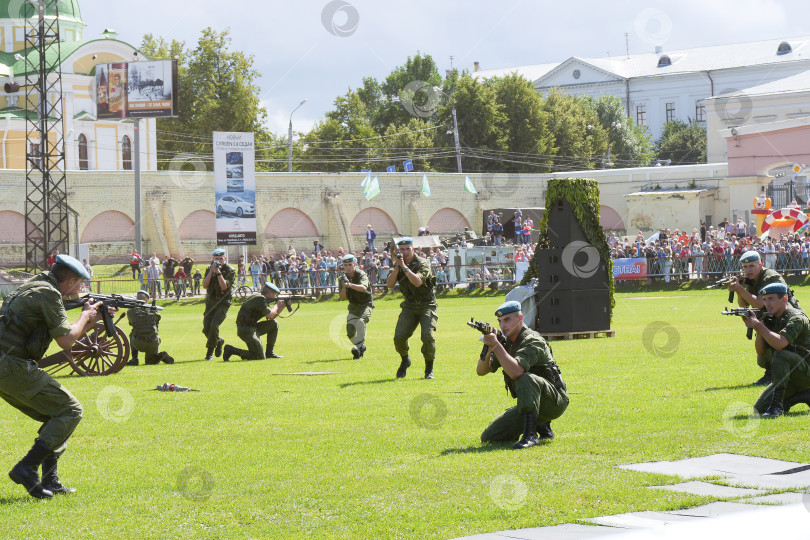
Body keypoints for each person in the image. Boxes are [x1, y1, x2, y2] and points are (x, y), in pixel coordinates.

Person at [0, 254, 114, 498]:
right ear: (71, 280)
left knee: (56, 414)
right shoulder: (49, 294)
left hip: (6, 367)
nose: (82, 288)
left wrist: (91, 321)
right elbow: (66, 340)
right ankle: (27, 467)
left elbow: (64, 333)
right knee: (70, 410)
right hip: (11, 366)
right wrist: (85, 315)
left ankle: (49, 480)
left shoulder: (36, 286)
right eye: (81, 283)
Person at [477, 301, 568, 449]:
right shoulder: (507, 343)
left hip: (554, 401)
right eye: (500, 321)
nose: (503, 325)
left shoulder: (532, 340)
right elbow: (481, 371)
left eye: (507, 320)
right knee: (490, 437)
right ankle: (541, 425)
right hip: (531, 401)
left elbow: (516, 372)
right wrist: (488, 347)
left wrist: (497, 346)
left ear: (520, 318)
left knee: (526, 377)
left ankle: (530, 435)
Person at [728, 250, 795, 385]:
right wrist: (740, 289)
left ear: (760, 265)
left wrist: (740, 290)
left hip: (787, 317)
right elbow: (743, 305)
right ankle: (771, 373)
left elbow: (759, 303)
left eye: (752, 266)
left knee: (778, 344)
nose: (748, 270)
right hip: (771, 315)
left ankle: (785, 373)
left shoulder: (769, 278)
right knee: (762, 356)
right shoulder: (751, 280)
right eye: (745, 267)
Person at [743, 283, 810, 418]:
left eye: (771, 299)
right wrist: (759, 328)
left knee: (781, 354)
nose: (767, 303)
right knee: (758, 410)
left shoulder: (796, 317)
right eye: (765, 299)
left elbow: (780, 344)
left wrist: (758, 326)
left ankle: (777, 406)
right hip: (787, 376)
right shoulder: (771, 318)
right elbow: (761, 352)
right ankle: (803, 395)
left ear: (784, 299)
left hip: (805, 371)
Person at [386, 237, 438, 379]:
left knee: (427, 336)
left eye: (407, 249)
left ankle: (429, 369)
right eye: (402, 250)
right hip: (409, 305)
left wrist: (405, 268)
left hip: (427, 304)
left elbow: (418, 282)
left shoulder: (423, 263)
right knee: (399, 338)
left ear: (413, 249)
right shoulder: (398, 264)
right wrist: (397, 268)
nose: (405, 252)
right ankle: (405, 360)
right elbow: (389, 284)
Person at [223, 281, 286, 361]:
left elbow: (272, 317)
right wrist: (277, 305)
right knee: (259, 357)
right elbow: (270, 316)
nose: (276, 297)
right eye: (275, 294)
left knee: (273, 324)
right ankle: (231, 350)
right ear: (270, 293)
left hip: (252, 327)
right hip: (245, 329)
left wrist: (282, 306)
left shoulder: (261, 298)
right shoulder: (260, 299)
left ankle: (270, 353)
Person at [202, 248, 236, 361]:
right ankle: (219, 341)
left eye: (221, 258)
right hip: (211, 301)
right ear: (212, 259)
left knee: (214, 325)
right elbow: (205, 285)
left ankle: (209, 352)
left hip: (223, 302)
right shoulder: (209, 268)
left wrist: (218, 273)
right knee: (206, 328)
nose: (218, 261)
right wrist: (211, 271)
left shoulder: (230, 270)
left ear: (225, 259)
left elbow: (224, 287)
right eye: (216, 259)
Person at [339, 254, 374, 358]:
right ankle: (361, 347)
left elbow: (363, 288)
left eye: (350, 264)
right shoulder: (342, 278)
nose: (348, 267)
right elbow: (342, 298)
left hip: (365, 304)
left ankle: (358, 347)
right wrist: (344, 287)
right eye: (345, 265)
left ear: (354, 264)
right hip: (353, 306)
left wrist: (350, 285)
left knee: (361, 322)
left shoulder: (361, 274)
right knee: (350, 332)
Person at [125, 290, 173, 366]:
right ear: (147, 300)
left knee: (132, 334)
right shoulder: (154, 309)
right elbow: (157, 322)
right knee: (150, 362)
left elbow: (131, 323)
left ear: (136, 299)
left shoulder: (131, 310)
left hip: (138, 342)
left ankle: (134, 359)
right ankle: (162, 355)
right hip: (153, 341)